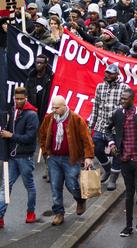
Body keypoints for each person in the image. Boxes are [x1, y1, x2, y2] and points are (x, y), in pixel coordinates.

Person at [0, 87, 39, 227]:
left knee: (29, 186)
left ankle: (31, 212)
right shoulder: (13, 111)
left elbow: (30, 138)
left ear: (26, 98)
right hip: (13, 157)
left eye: (21, 99)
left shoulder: (31, 115)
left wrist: (11, 135)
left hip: (25, 157)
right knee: (6, 186)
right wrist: (5, 153)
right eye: (16, 99)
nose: (18, 101)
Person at [39, 96, 95, 226]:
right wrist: (46, 152)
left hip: (71, 158)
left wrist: (88, 156)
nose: (54, 110)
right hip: (54, 158)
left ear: (64, 106)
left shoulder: (76, 119)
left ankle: (80, 199)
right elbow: (42, 135)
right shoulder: (49, 118)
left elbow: (86, 138)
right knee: (55, 186)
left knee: (72, 184)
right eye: (53, 107)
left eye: (57, 108)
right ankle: (59, 212)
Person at [108, 89, 137, 237]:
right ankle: (128, 226)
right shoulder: (117, 114)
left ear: (132, 99)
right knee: (129, 194)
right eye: (121, 98)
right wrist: (113, 144)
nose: (122, 101)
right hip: (124, 159)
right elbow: (107, 130)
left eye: (125, 99)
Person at [89, 64, 129, 191]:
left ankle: (113, 178)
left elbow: (127, 110)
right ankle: (107, 169)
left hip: (117, 128)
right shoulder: (100, 87)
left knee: (117, 152)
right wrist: (91, 125)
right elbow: (95, 107)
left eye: (111, 73)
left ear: (117, 74)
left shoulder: (125, 88)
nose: (108, 75)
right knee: (97, 148)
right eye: (107, 72)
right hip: (101, 125)